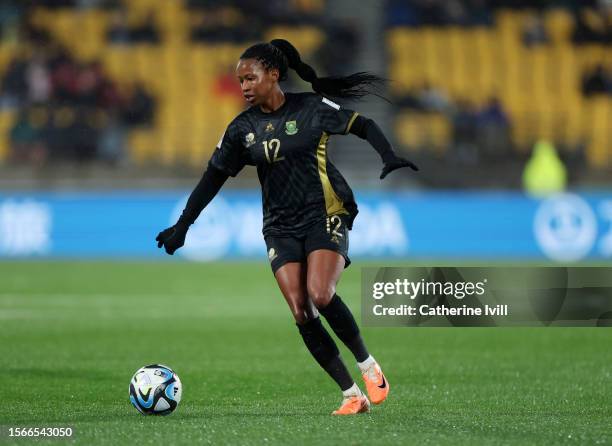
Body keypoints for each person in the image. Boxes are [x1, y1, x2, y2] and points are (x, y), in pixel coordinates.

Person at [155, 39, 418, 415]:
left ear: (273, 75)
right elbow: (212, 177)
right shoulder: (241, 129)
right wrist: (183, 225)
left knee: (321, 294)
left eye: (250, 77)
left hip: (325, 211)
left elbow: (362, 124)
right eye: (240, 80)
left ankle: (368, 366)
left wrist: (388, 154)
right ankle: (350, 395)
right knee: (301, 310)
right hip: (279, 224)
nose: (243, 86)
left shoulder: (310, 107)